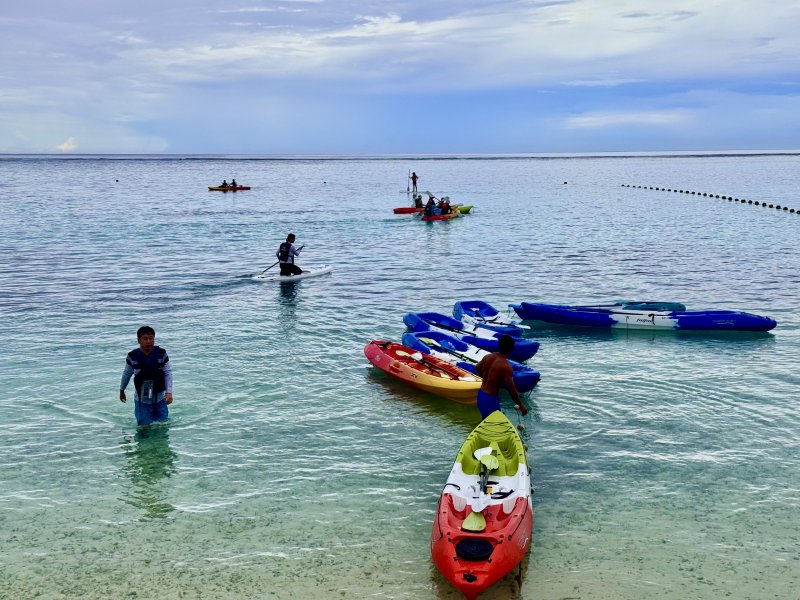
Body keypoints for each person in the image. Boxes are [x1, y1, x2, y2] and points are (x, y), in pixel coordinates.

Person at [120, 326, 173, 426]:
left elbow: (167, 373)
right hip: (142, 401)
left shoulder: (161, 353)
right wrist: (122, 390)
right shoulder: (132, 356)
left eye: (151, 338)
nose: (148, 341)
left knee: (163, 426)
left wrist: (169, 392)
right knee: (143, 429)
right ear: (138, 340)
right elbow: (127, 374)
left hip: (160, 398)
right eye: (145, 338)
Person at [474, 335, 527, 419]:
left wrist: (488, 379)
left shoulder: (488, 357)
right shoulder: (506, 366)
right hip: (490, 399)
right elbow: (511, 389)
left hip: (481, 395)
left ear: (499, 345)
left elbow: (477, 368)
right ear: (511, 348)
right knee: (494, 426)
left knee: (486, 422)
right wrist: (521, 405)